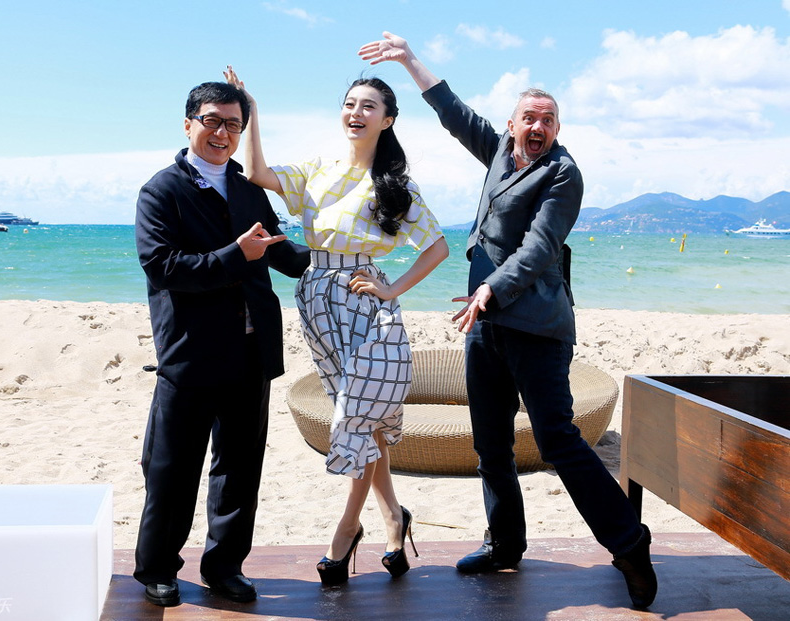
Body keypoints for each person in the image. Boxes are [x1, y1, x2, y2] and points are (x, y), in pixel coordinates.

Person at [359, 32, 658, 609]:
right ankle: (505, 545)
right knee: (490, 443)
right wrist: (407, 58)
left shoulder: (563, 175)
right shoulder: (500, 151)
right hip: (484, 324)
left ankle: (630, 544)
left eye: (548, 120)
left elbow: (540, 247)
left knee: (558, 441)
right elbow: (452, 112)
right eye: (529, 117)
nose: (538, 126)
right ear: (514, 122)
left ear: (557, 130)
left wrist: (490, 290)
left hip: (537, 328)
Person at [225, 66, 449, 585]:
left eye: (369, 106)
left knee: (355, 416)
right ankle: (393, 515)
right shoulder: (316, 171)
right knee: (362, 417)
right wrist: (250, 106)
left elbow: (436, 246)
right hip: (317, 301)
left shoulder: (395, 185)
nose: (356, 112)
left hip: (366, 304)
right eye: (350, 103)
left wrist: (392, 290)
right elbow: (257, 171)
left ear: (388, 120)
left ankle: (347, 529)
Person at [133, 80, 310, 607]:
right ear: (189, 123)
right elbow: (162, 267)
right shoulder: (162, 190)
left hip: (251, 351)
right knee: (171, 468)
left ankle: (224, 567)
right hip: (189, 352)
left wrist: (331, 261)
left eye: (233, 123)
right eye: (212, 120)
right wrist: (236, 254)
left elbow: (276, 250)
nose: (222, 132)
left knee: (239, 469)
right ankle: (158, 569)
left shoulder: (248, 189)